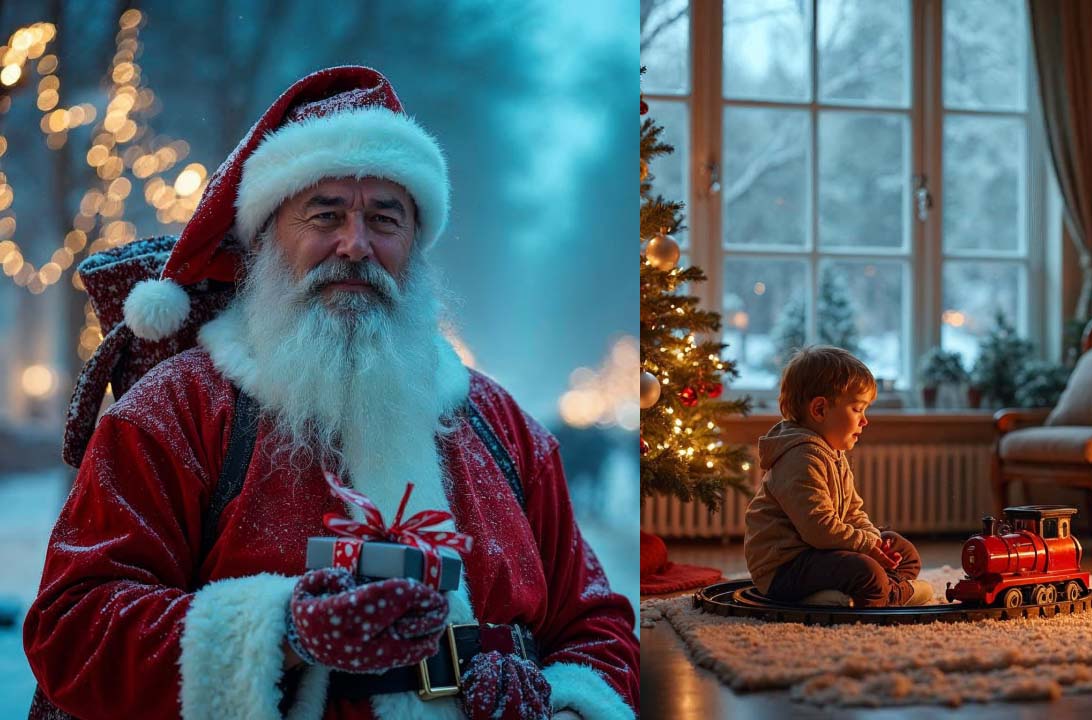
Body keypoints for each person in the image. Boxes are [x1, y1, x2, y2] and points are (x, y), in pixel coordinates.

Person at [23, 66, 637, 720]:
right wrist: (281, 630)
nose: (356, 245)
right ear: (263, 239)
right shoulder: (175, 412)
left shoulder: (502, 426)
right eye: (325, 214)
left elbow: (596, 622)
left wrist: (564, 703)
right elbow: (74, 625)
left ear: (415, 245)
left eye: (384, 218)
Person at [743, 345, 932, 608]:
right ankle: (894, 594)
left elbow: (853, 512)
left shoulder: (832, 453)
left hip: (822, 552)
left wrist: (874, 539)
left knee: (903, 552)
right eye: (857, 409)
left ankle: (842, 596)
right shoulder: (801, 457)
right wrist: (866, 546)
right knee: (866, 571)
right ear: (820, 409)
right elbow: (819, 529)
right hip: (787, 568)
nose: (864, 421)